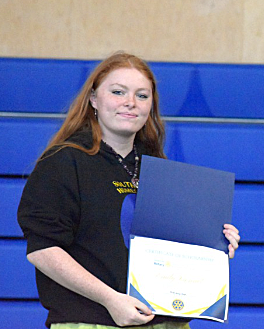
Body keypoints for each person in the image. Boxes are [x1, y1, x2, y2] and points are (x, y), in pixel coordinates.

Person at [17, 52, 240, 329]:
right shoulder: (63, 162)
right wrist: (110, 299)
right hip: (91, 322)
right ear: (94, 99)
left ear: (151, 107)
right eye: (118, 92)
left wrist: (214, 246)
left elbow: (174, 246)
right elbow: (43, 251)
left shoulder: (158, 167)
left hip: (165, 323)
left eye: (142, 96)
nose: (130, 103)